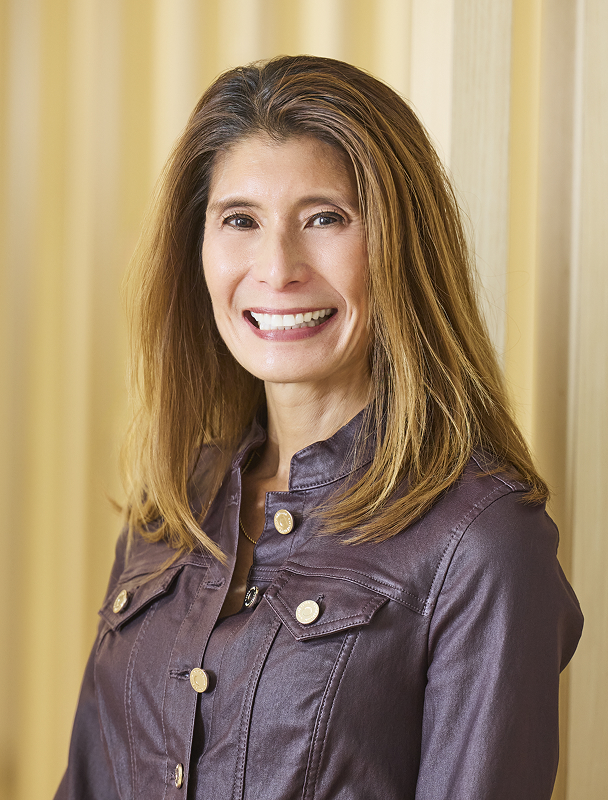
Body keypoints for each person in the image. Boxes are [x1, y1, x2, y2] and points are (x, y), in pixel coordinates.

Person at [55, 55, 583, 800]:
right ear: (197, 250)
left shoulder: (484, 541)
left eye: (325, 218)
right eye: (240, 219)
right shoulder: (170, 508)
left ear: (399, 247)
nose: (277, 266)